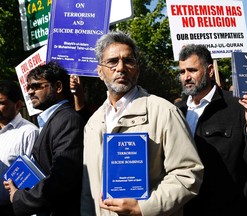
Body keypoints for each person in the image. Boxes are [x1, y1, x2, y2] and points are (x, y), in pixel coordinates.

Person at [80, 31, 204, 216]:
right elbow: (89, 189)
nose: (120, 68)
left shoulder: (164, 112)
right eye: (112, 62)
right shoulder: (92, 124)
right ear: (100, 71)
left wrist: (143, 208)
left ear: (137, 69)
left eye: (128, 61)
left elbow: (188, 174)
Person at [176, 44, 247, 216]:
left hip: (230, 208)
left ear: (210, 70)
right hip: (188, 207)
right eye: (182, 72)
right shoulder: (177, 110)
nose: (186, 77)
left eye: (192, 70)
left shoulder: (238, 107)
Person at [3, 61, 85, 216]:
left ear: (58, 87)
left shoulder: (68, 120)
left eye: (36, 86)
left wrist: (21, 197)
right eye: (28, 87)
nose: (30, 92)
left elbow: (62, 180)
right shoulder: (53, 120)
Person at [0, 80, 38, 216]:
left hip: (14, 209)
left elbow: (33, 181)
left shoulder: (29, 132)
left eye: (1, 103)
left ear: (18, 105)